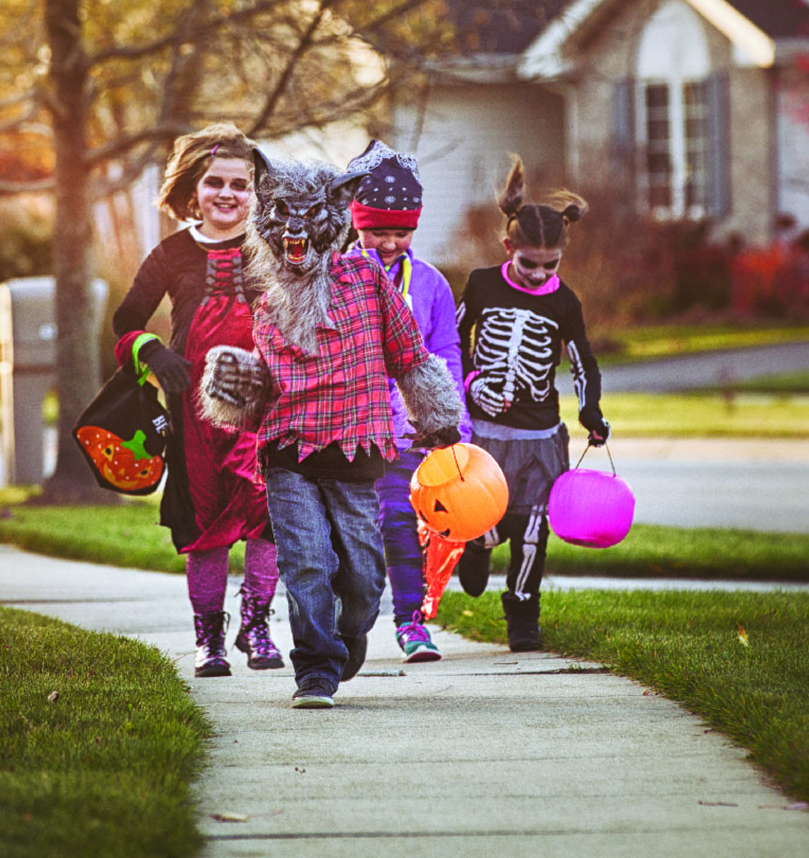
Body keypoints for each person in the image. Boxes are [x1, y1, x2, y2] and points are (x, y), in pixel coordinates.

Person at [197, 149, 464, 708]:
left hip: (358, 449)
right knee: (307, 563)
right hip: (288, 452)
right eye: (283, 220)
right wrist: (234, 385)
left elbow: (410, 354)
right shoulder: (265, 293)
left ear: (332, 220)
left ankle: (347, 636)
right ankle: (315, 671)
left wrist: (439, 419)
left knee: (364, 581)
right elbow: (265, 378)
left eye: (307, 220)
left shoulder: (365, 276)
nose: (295, 234)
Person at [112, 122, 283, 678]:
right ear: (194, 189)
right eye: (216, 183)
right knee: (203, 524)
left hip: (265, 403)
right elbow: (125, 320)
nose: (228, 194)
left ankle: (256, 624)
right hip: (193, 412)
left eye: (241, 184)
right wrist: (151, 352)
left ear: (256, 192)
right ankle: (208, 637)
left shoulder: (273, 246)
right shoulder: (172, 253)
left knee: (266, 517)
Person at [454, 156, 610, 651]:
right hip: (486, 434)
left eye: (551, 265)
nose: (539, 274)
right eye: (529, 264)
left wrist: (591, 412)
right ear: (508, 248)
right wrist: (470, 384)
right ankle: (476, 546)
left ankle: (522, 609)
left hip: (540, 436)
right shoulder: (481, 284)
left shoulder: (564, 301)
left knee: (532, 528)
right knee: (487, 519)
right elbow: (452, 343)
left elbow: (582, 360)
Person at [345, 140, 471, 663]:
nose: (390, 243)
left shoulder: (431, 285)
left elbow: (445, 355)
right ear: (356, 224)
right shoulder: (336, 275)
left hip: (406, 435)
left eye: (400, 231)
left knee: (400, 523)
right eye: (378, 231)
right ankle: (345, 625)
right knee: (348, 540)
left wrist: (452, 427)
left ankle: (410, 623)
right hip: (346, 432)